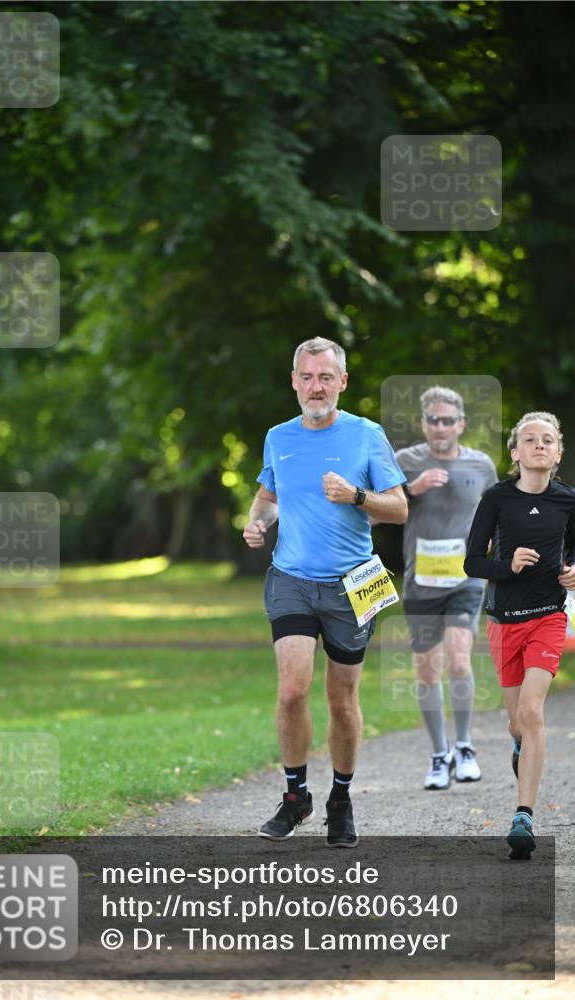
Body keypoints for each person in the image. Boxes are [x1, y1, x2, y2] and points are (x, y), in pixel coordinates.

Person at [242, 337, 407, 847]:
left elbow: (398, 508)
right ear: (294, 381)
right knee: (292, 690)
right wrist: (257, 522)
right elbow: (269, 496)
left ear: (342, 382)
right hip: (291, 578)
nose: (316, 387)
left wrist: (356, 496)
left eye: (326, 378)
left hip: (352, 585)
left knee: (342, 699)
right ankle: (296, 796)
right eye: (308, 377)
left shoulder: (367, 435)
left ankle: (340, 797)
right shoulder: (278, 436)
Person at [464, 412, 575, 859]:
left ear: (558, 452)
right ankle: (517, 742)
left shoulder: (569, 501)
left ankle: (523, 816)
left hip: (548, 617)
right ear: (515, 452)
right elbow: (471, 562)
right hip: (504, 620)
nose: (539, 446)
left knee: (532, 712)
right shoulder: (496, 499)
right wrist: (505, 566)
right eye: (530, 440)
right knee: (517, 723)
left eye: (548, 440)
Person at [394, 387, 497, 790]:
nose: (441, 427)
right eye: (433, 420)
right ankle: (439, 755)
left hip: (465, 579)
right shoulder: (405, 462)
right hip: (420, 581)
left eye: (448, 420)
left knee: (458, 660)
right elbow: (379, 507)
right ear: (423, 423)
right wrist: (411, 489)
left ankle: (466, 746)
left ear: (461, 424)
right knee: (426, 670)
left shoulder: (482, 464)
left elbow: (497, 513)